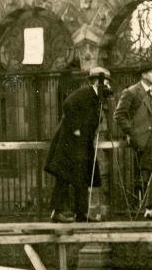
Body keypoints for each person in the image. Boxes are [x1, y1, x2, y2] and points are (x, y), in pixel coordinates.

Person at [43, 66, 110, 222]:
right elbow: (68, 104)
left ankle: (81, 213)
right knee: (64, 177)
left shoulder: (97, 99)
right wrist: (76, 128)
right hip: (69, 143)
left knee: (82, 177)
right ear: (97, 82)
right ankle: (56, 212)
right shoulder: (85, 92)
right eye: (106, 82)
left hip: (82, 144)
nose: (109, 86)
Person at [115, 65, 152, 220]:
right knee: (147, 171)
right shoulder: (131, 92)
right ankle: (151, 208)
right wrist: (132, 133)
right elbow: (119, 115)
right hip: (142, 139)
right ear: (143, 74)